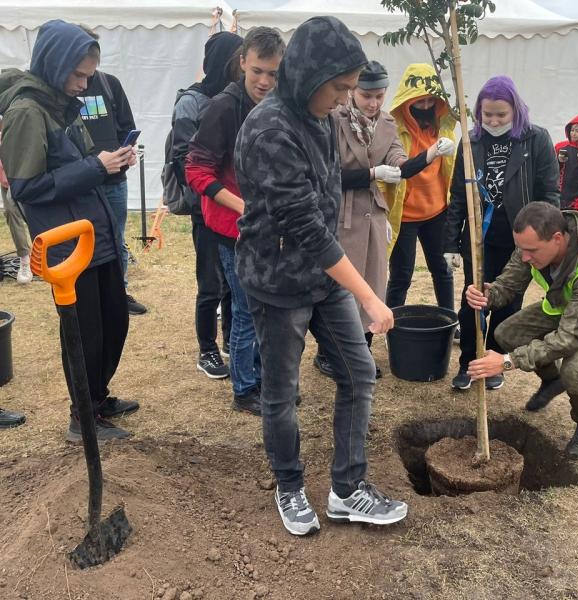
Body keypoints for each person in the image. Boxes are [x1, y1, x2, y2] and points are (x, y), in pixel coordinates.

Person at [235, 16, 408, 536]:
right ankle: (289, 486)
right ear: (310, 75)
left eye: (351, 90)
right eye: (339, 88)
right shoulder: (269, 130)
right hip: (277, 283)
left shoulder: (319, 118)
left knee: (359, 373)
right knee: (281, 394)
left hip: (322, 277)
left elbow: (327, 201)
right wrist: (371, 299)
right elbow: (306, 226)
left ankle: (347, 490)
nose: (343, 99)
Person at [0, 20, 139, 442]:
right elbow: (26, 188)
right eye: (77, 74)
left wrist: (109, 163)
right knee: (84, 332)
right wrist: (95, 166)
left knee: (114, 322)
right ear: (53, 63)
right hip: (66, 243)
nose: (83, 84)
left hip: (95, 234)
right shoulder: (27, 111)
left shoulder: (60, 103)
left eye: (88, 75)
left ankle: (96, 397)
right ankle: (82, 417)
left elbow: (71, 167)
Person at [465, 202, 578, 459]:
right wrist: (488, 296)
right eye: (521, 249)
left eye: (531, 251)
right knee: (508, 333)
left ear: (558, 239)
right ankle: (553, 380)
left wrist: (508, 362)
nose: (525, 257)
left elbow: (569, 338)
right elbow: (509, 283)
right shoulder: (531, 244)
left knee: (577, 369)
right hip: (568, 305)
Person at [312, 61, 455, 379]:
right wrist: (371, 174)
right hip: (342, 210)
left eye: (379, 96)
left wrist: (428, 155)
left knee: (373, 283)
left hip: (374, 212)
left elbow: (399, 165)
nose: (374, 103)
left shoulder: (387, 124)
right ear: (353, 92)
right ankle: (328, 353)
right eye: (367, 96)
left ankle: (359, 352)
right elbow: (325, 176)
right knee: (341, 286)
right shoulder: (334, 120)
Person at [186, 27, 285, 416]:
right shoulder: (223, 108)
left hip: (268, 226)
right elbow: (195, 170)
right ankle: (245, 389)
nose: (264, 81)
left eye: (273, 74)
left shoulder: (278, 106)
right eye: (258, 70)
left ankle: (262, 380)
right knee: (246, 308)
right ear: (242, 61)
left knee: (267, 307)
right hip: (232, 228)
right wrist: (242, 206)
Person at [444, 75, 560, 391]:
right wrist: (452, 241)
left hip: (520, 241)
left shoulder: (536, 140)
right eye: (487, 115)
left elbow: (550, 193)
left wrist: (543, 237)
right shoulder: (470, 143)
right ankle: (469, 363)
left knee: (507, 304)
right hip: (479, 239)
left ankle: (493, 363)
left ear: (515, 111)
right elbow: (457, 195)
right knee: (474, 299)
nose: (493, 120)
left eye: (501, 115)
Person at [169, 31, 242, 380]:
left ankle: (230, 338)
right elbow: (185, 159)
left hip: (233, 209)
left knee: (234, 281)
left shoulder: (237, 100)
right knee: (210, 282)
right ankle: (207, 350)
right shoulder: (193, 102)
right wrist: (209, 196)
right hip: (206, 207)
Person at [77, 27, 146, 314]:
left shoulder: (108, 83)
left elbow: (126, 126)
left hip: (115, 180)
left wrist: (126, 152)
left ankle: (119, 292)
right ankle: (90, 298)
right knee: (84, 241)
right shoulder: (62, 90)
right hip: (82, 183)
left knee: (115, 237)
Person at [383, 63, 457, 316]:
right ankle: (390, 323)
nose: (425, 106)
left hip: (437, 211)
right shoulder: (393, 129)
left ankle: (449, 319)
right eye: (418, 101)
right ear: (406, 100)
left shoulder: (443, 127)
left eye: (430, 101)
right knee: (401, 275)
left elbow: (451, 168)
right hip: (404, 216)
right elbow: (395, 170)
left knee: (442, 270)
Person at [0, 117, 32, 283]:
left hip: (26, 170)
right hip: (7, 175)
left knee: (35, 213)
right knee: (11, 212)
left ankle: (45, 254)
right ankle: (25, 260)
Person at [554, 113, 578, 210]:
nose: (573, 133)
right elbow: (550, 168)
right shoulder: (560, 147)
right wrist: (559, 161)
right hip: (560, 192)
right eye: (572, 130)